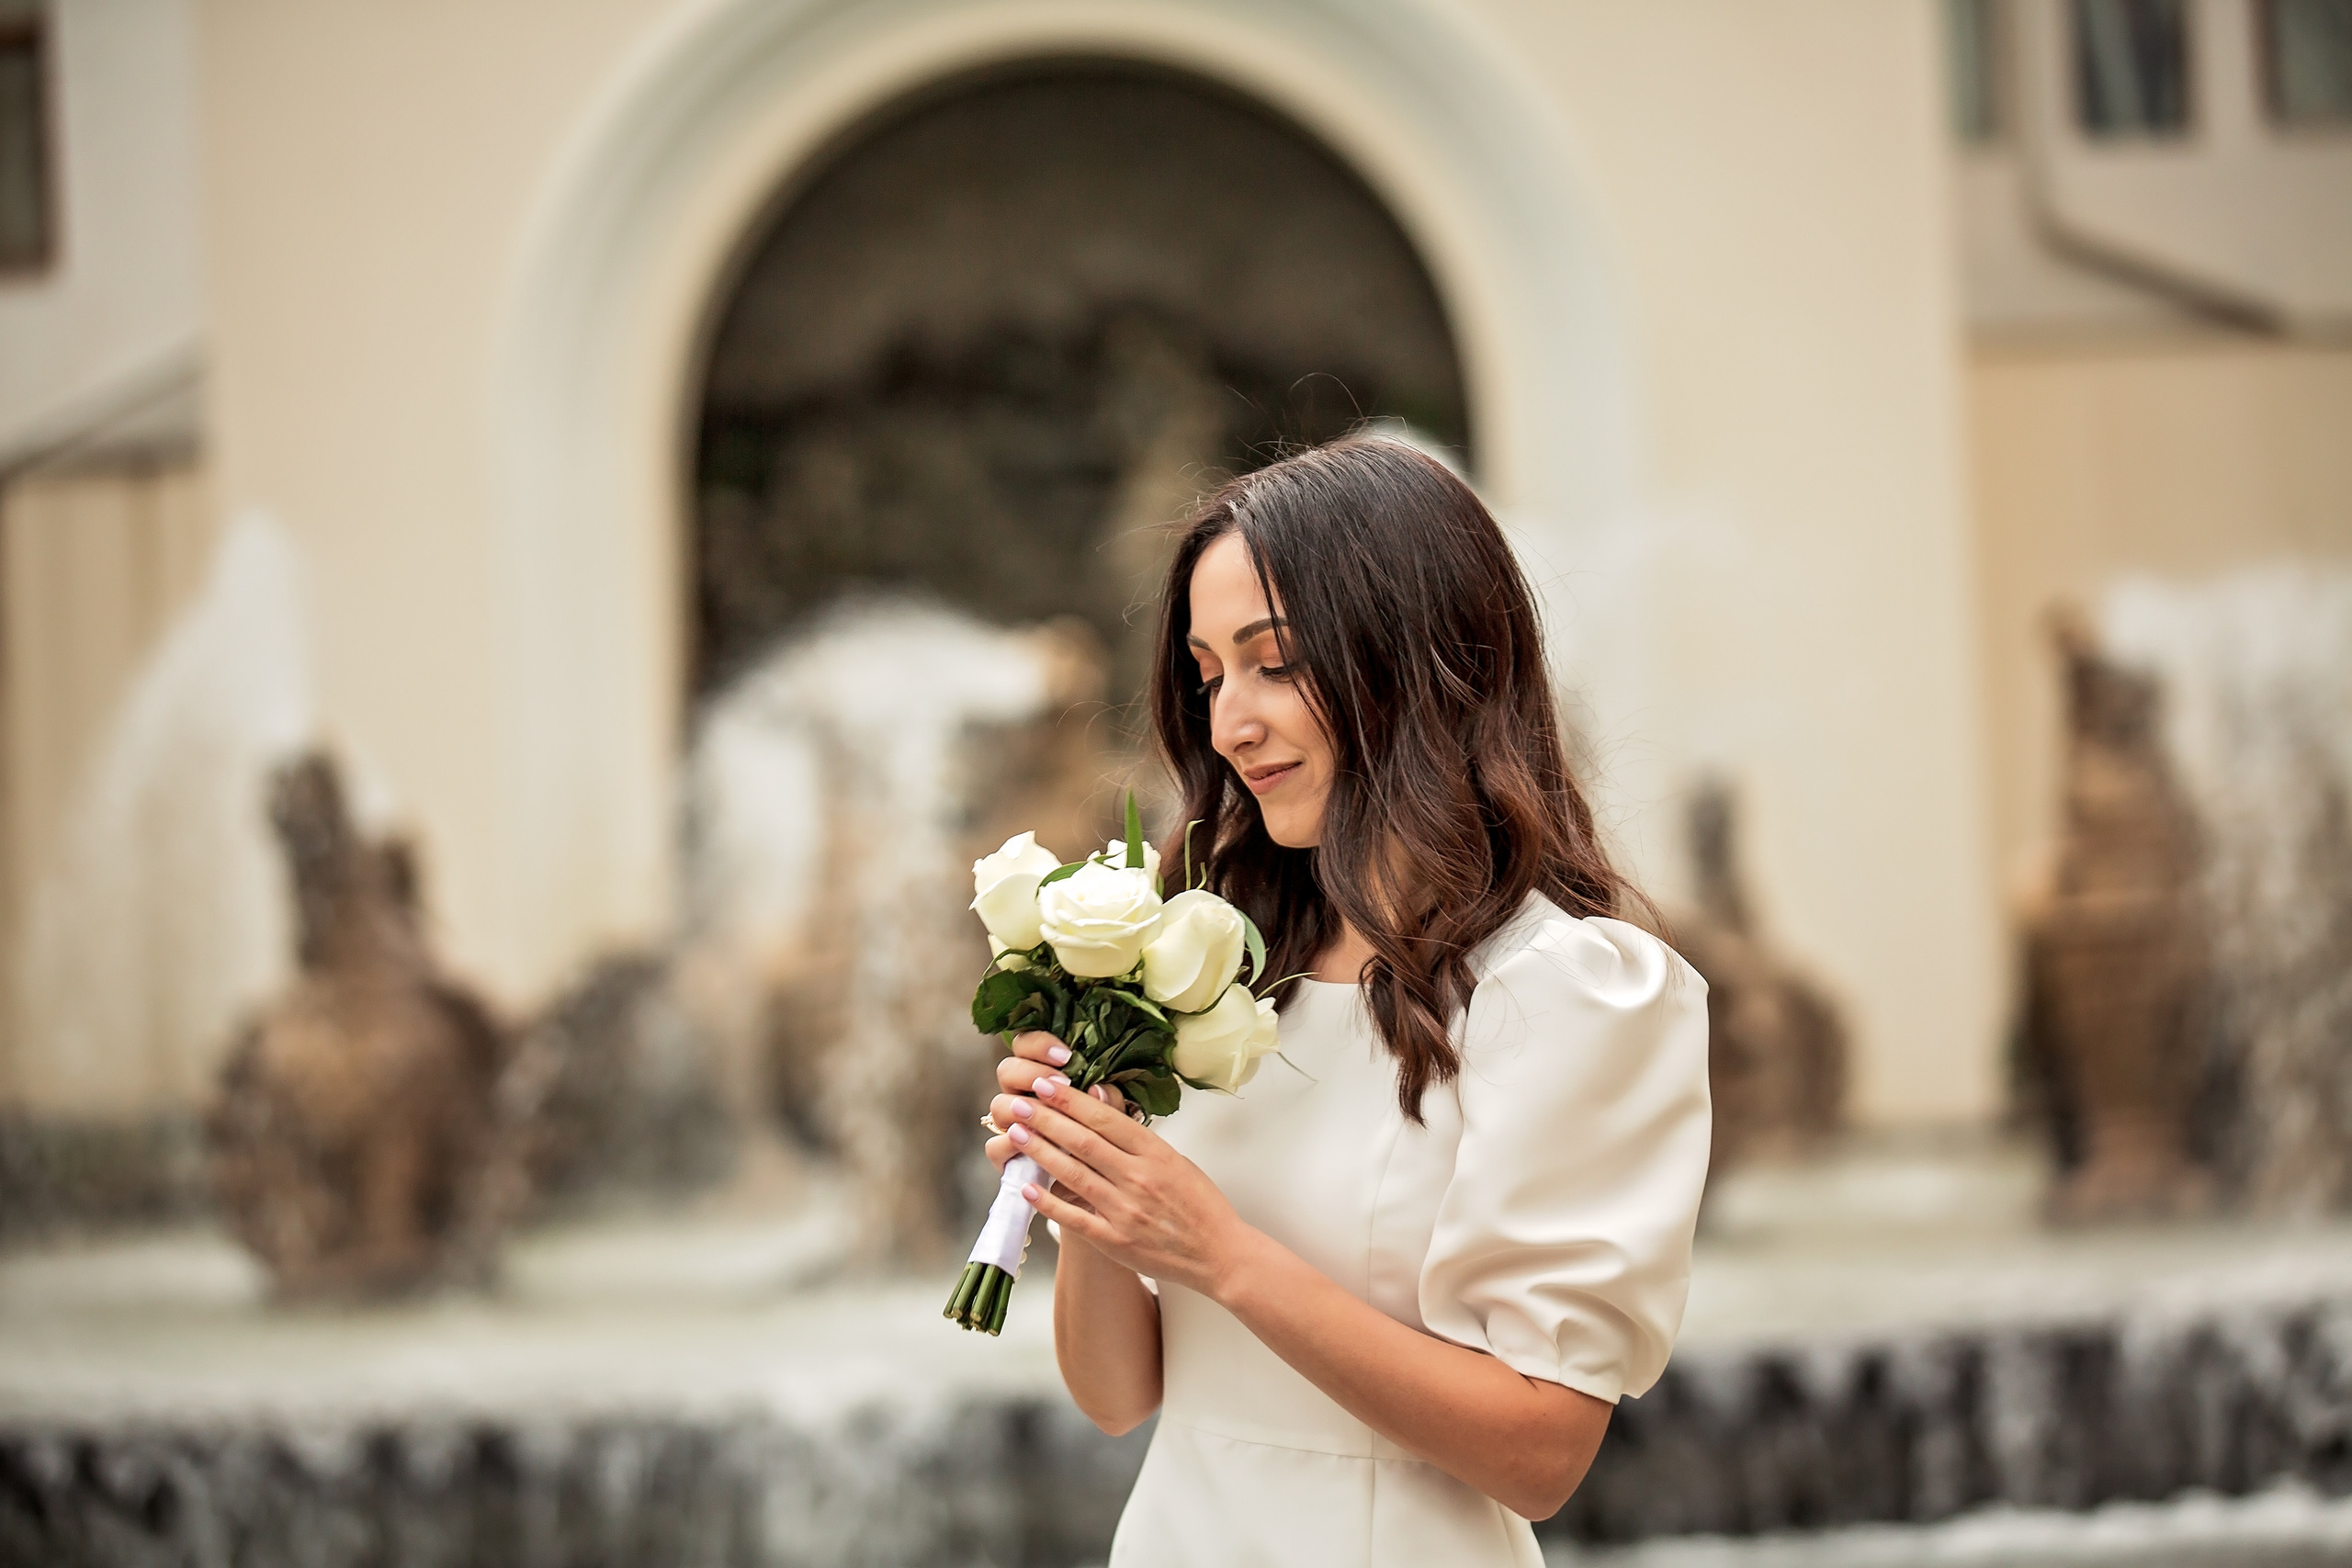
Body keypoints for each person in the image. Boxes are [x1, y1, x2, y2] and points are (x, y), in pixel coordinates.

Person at [981, 436, 1711, 1565]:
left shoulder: (1567, 992)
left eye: (1273, 663)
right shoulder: (1207, 961)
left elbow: (1540, 1452)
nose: (1229, 723)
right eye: (1209, 673)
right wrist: (1094, 1181)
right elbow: (1119, 1395)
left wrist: (1219, 1250)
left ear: (1411, 661)